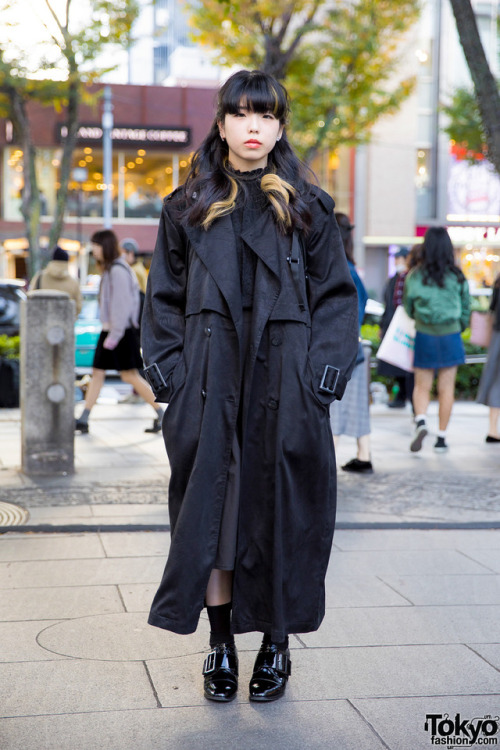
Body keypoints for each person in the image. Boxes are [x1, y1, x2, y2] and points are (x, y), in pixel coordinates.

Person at [141, 69, 358, 704]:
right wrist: (174, 385)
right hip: (209, 392)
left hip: (285, 390)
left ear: (280, 126)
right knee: (215, 521)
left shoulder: (309, 208)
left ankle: (276, 645)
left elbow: (338, 301)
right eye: (240, 114)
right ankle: (219, 646)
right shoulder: (185, 206)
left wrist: (317, 384)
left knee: (283, 517)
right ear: (222, 123)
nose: (253, 126)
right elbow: (163, 302)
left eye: (265, 115)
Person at [75, 229, 164, 435]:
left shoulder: (117, 270)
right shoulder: (112, 269)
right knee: (101, 373)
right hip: (115, 331)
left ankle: (162, 414)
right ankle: (84, 418)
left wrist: (113, 336)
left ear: (104, 246)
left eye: (96, 245)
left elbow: (122, 307)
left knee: (129, 376)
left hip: (119, 333)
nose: (93, 250)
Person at [403, 227, 470, 453]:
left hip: (425, 334)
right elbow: (466, 309)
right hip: (451, 335)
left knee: (422, 385)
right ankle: (441, 438)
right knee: (446, 388)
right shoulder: (458, 276)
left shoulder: (415, 275)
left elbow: (408, 308)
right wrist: (457, 326)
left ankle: (421, 420)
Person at [330, 213, 374, 474]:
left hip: (339, 349)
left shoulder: (338, 267)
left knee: (334, 406)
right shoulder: (350, 267)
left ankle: (328, 460)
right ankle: (364, 454)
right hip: (355, 349)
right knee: (357, 405)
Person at [377, 246, 414, 408]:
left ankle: (408, 397)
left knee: (406, 364)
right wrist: (382, 325)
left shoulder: (410, 278)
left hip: (405, 326)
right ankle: (401, 395)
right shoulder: (394, 279)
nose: (397, 261)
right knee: (394, 363)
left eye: (399, 258)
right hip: (392, 325)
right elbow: (387, 304)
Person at [476, 273, 500, 442]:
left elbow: (492, 309)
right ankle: (492, 430)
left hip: (497, 336)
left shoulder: (498, 281)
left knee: (496, 381)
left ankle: (492, 428)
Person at [29, 246, 82, 317]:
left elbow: (30, 299)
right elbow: (78, 307)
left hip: (41, 322)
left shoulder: (39, 277)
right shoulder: (73, 282)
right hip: (65, 324)